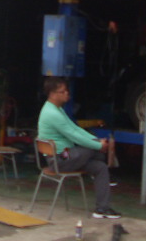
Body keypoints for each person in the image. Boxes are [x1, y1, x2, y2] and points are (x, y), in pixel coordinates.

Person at [36, 76, 119, 219]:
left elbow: (75, 128)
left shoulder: (57, 109)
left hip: (66, 155)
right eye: (63, 91)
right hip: (60, 158)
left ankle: (102, 208)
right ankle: (109, 161)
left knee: (100, 167)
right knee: (91, 149)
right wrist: (98, 145)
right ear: (53, 94)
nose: (67, 93)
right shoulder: (52, 113)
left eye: (67, 90)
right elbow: (74, 135)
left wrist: (96, 141)